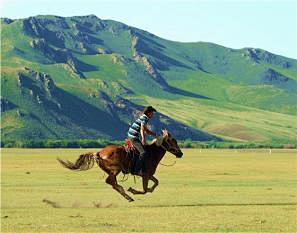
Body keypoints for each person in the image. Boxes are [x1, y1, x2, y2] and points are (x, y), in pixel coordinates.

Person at [127, 106, 157, 175]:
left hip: (132, 135)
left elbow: (146, 130)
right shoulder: (145, 118)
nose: (153, 115)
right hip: (133, 137)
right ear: (149, 113)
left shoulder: (144, 117)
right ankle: (136, 170)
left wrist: (155, 134)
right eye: (152, 113)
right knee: (143, 153)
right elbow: (142, 129)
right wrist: (143, 139)